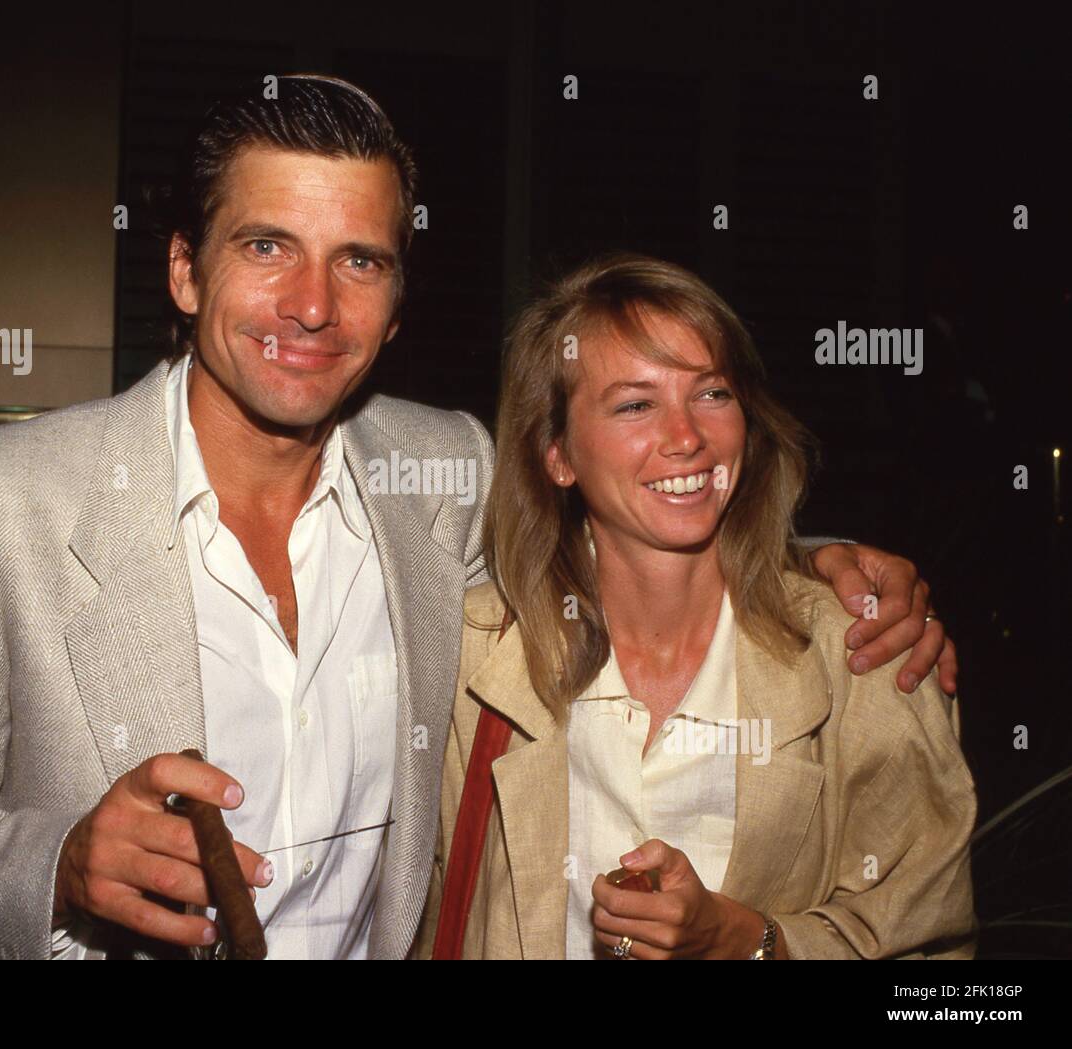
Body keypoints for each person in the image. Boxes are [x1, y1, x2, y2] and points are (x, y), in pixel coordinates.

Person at [0, 79, 954, 960]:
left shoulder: (440, 469)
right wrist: (52, 865)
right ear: (184, 270)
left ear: (398, 301)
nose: (312, 305)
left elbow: (620, 506)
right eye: (267, 247)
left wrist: (819, 568)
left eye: (360, 260)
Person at [417, 253, 976, 959]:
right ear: (557, 454)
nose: (687, 438)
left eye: (712, 393)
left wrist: (748, 941)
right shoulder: (466, 656)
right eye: (635, 403)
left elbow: (929, 953)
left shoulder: (864, 655)